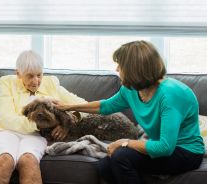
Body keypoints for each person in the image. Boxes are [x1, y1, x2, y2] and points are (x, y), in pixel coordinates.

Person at [54, 40, 205, 184]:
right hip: (159, 147)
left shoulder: (171, 94)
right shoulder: (131, 89)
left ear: (134, 68)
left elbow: (165, 147)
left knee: (121, 156)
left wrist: (125, 143)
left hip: (186, 152)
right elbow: (105, 106)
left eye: (120, 65)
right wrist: (69, 107)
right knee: (104, 166)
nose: (117, 69)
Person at [0, 50, 87, 184]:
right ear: (18, 74)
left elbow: (83, 105)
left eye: (39, 75)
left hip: (36, 135)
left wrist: (66, 124)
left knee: (28, 161)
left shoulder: (51, 83)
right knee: (4, 160)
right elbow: (5, 118)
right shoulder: (7, 82)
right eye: (30, 76)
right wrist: (39, 124)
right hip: (6, 131)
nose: (36, 81)